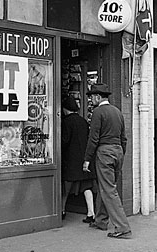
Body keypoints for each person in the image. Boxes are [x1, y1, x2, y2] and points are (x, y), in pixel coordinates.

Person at [83, 83, 132, 239]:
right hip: (118, 151)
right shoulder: (117, 111)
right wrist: (121, 153)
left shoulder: (98, 112)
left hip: (104, 152)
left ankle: (123, 228)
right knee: (107, 187)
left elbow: (93, 138)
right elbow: (124, 137)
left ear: (98, 97)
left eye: (91, 97)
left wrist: (87, 159)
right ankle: (101, 220)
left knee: (108, 190)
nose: (90, 100)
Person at [61, 95, 96, 223]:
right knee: (87, 187)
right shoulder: (83, 121)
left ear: (65, 109)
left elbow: (64, 141)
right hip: (84, 159)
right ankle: (91, 213)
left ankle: (62, 210)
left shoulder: (66, 122)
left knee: (66, 187)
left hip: (70, 160)